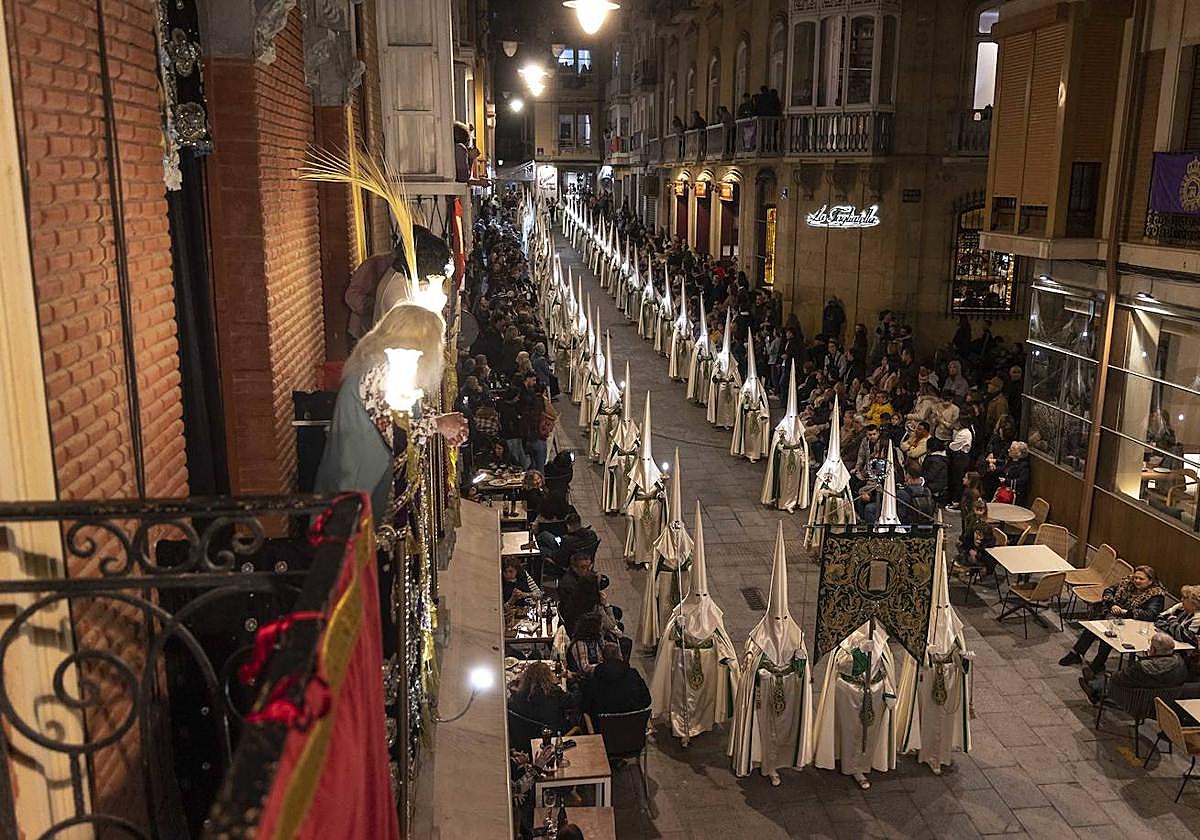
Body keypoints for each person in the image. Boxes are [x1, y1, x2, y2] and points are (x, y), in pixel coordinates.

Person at [729, 523, 814, 785]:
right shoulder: (757, 639)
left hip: (787, 696)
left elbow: (804, 674)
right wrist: (760, 672)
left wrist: (799, 664)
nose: (779, 625)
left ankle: (780, 762)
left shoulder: (796, 638)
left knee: (784, 730)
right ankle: (761, 761)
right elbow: (748, 669)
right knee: (763, 731)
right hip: (762, 699)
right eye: (775, 619)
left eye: (782, 619)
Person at [650, 504, 740, 748]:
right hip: (682, 663)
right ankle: (683, 729)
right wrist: (677, 632)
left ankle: (703, 723)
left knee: (704, 698)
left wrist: (728, 661)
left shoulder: (713, 614)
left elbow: (722, 642)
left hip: (706, 665)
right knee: (683, 699)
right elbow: (667, 648)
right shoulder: (679, 615)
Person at [1059, 566, 1167, 673]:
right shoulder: (1127, 583)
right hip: (1116, 615)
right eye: (1135, 577)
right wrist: (1112, 605)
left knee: (1110, 630)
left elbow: (1150, 614)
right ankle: (1077, 653)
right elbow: (1109, 590)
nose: (1136, 581)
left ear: (1150, 581)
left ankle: (1098, 662)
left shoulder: (1156, 595)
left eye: (1141, 579)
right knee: (1095, 624)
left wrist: (1126, 612)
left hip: (1135, 623)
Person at [1080, 631, 1187, 705]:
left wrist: (1112, 675)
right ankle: (1094, 683)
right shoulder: (1180, 663)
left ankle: (1093, 686)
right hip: (1164, 699)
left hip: (1136, 699)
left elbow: (1119, 678)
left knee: (1112, 679)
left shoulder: (1144, 667)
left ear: (1153, 650)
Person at [582, 642, 651, 717]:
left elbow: (585, 706)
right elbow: (647, 700)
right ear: (619, 655)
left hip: (604, 723)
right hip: (634, 722)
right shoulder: (633, 675)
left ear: (602, 657)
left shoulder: (593, 680)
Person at [509, 661, 577, 735]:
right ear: (548, 677)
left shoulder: (519, 695)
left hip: (526, 736)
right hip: (552, 734)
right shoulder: (554, 693)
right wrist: (572, 681)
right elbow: (575, 700)